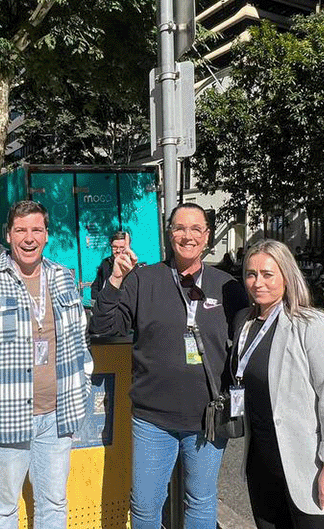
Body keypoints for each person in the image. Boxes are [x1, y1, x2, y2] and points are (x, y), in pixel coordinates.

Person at [92, 202, 249, 529]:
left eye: (196, 229)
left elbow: (248, 345)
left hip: (206, 418)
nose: (187, 236)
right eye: (180, 228)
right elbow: (105, 328)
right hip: (153, 419)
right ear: (169, 233)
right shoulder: (143, 280)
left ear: (207, 237)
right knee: (146, 505)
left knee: (201, 500)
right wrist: (117, 279)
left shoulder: (229, 287)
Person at [0, 200, 93, 529]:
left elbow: (80, 342)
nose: (28, 238)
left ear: (47, 235)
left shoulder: (63, 278)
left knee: (54, 502)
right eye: (20, 230)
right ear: (8, 235)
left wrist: (81, 394)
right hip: (6, 420)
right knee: (2, 507)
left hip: (58, 417)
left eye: (36, 230)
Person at [233, 240, 324, 529]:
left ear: (287, 276)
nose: (257, 282)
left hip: (310, 466)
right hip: (263, 465)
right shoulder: (245, 325)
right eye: (251, 274)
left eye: (267, 274)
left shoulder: (311, 324)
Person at [90, 230, 132, 302]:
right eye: (115, 247)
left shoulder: (132, 267)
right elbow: (96, 286)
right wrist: (98, 302)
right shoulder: (105, 263)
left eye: (121, 247)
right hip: (105, 305)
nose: (118, 250)